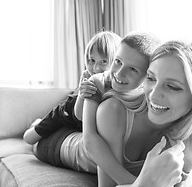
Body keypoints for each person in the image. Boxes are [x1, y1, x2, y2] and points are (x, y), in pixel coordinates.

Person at [96, 40, 192, 187]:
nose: (153, 96)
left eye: (172, 87)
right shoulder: (112, 110)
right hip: (74, 146)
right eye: (151, 78)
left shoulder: (188, 147)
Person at [34, 31, 161, 175]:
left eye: (132, 69)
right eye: (117, 62)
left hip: (77, 133)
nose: (119, 73)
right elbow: (83, 125)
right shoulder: (98, 83)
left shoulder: (150, 100)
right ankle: (35, 126)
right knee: (37, 141)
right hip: (64, 144)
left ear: (148, 75)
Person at [23, 31, 121, 145]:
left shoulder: (118, 83)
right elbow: (79, 115)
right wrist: (81, 94)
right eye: (92, 60)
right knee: (29, 138)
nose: (95, 67)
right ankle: (36, 123)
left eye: (103, 61)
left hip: (82, 122)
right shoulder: (88, 77)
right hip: (66, 113)